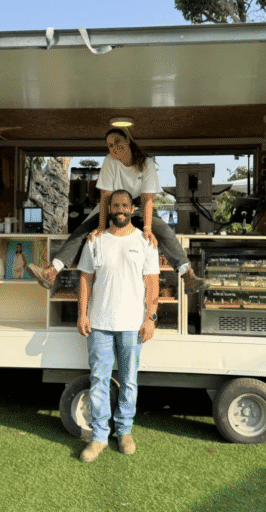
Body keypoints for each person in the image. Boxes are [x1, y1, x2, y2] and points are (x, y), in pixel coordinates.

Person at [27, 127, 206, 293]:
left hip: (137, 207)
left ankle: (187, 275)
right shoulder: (109, 161)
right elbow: (105, 196)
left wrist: (148, 229)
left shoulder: (146, 163)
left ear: (127, 140)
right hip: (113, 205)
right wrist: (101, 225)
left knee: (164, 230)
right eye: (110, 146)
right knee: (81, 231)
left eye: (117, 144)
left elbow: (147, 198)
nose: (114, 149)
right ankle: (51, 272)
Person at [76, 189, 159, 463]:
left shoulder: (146, 241)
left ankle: (124, 432)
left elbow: (152, 283)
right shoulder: (96, 240)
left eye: (125, 205)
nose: (120, 209)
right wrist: (82, 314)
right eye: (115, 205)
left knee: (129, 381)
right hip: (99, 323)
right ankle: (99, 437)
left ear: (133, 209)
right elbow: (86, 279)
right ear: (109, 209)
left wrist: (151, 317)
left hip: (132, 324)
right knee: (99, 381)